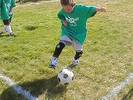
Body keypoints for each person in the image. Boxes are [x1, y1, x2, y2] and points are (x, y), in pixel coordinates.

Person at [50, 0, 106, 68]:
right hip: (68, 31)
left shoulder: (81, 9)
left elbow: (90, 9)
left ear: (72, 5)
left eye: (68, 9)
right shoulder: (63, 10)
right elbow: (60, 15)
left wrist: (99, 9)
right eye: (64, 8)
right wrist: (63, 20)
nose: (66, 11)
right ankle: (54, 60)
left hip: (79, 34)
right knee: (61, 43)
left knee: (79, 51)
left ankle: (76, 59)